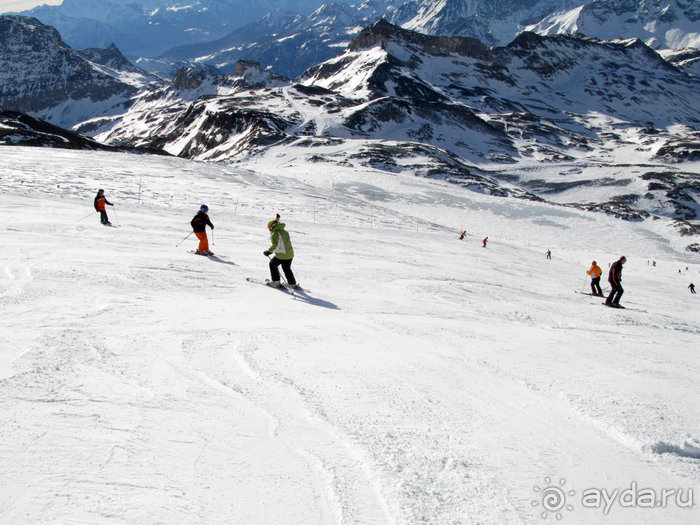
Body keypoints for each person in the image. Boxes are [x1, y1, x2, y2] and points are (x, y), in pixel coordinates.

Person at [263, 215, 297, 288]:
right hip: (290, 254)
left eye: (270, 228)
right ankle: (292, 284)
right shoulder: (285, 232)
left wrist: (269, 252)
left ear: (272, 227)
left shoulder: (275, 234)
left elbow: (276, 246)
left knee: (272, 264)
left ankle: (276, 282)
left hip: (282, 255)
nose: (270, 230)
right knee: (286, 268)